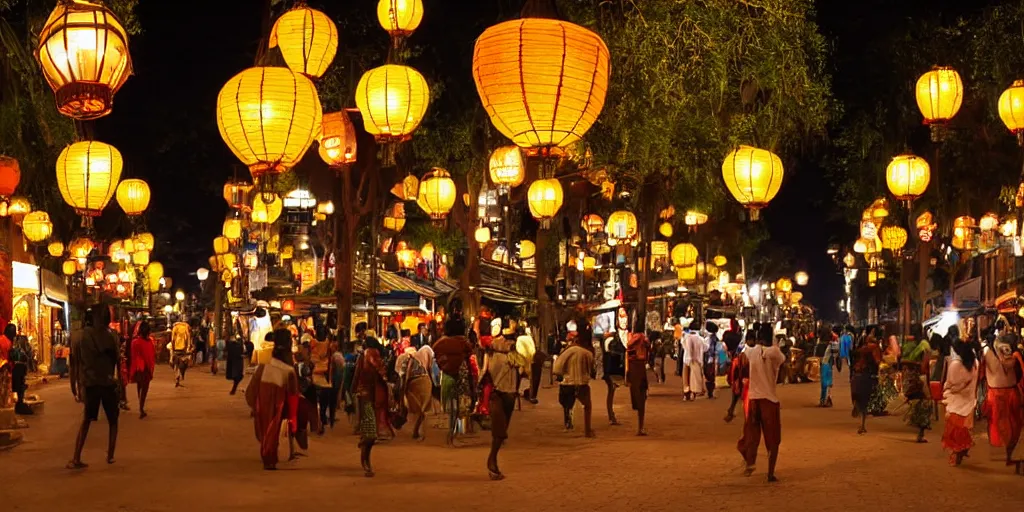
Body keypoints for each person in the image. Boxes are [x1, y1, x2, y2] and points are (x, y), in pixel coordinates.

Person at [68, 306, 121, 469]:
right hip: (107, 383)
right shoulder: (111, 336)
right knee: (113, 421)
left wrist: (75, 384)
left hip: (91, 383)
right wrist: (120, 385)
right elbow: (117, 361)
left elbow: (75, 363)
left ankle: (76, 457)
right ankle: (110, 455)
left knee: (87, 420)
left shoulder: (81, 336)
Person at [736, 324, 786, 482]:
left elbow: (742, 357)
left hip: (753, 399)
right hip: (769, 399)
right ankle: (770, 473)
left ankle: (750, 462)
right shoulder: (775, 352)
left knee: (751, 434)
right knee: (773, 439)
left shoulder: (751, 351)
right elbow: (782, 366)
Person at [245, 329, 299, 470]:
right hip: (277, 400)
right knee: (273, 428)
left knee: (267, 429)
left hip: (263, 396)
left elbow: (252, 387)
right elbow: (293, 394)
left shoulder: (264, 364)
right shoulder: (289, 369)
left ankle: (268, 454)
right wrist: (293, 417)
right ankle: (269, 456)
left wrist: (253, 404)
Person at [482, 324, 518, 480]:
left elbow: (484, 372)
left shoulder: (490, 353)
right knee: (500, 431)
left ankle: (493, 461)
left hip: (501, 393)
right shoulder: (510, 355)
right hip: (502, 393)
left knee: (500, 432)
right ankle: (492, 462)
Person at [981, 334, 1022, 468]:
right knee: (1013, 426)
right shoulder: (1016, 355)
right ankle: (1010, 455)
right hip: (1011, 393)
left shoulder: (990, 352)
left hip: (1000, 394)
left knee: (1004, 426)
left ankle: (1008, 455)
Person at [351, 331, 387, 477]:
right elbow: (380, 372)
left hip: (366, 396)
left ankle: (366, 460)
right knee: (370, 432)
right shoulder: (371, 356)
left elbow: (355, 377)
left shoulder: (363, 357)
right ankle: (366, 462)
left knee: (370, 432)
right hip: (368, 396)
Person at [942, 339, 980, 466]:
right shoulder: (975, 363)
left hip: (955, 401)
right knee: (963, 428)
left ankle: (955, 453)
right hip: (969, 401)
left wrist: (947, 390)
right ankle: (963, 448)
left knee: (953, 430)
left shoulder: (955, 365)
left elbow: (951, 383)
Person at [553, 327, 595, 436]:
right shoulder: (588, 353)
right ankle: (587, 430)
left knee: (566, 405)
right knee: (587, 406)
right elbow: (592, 370)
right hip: (582, 383)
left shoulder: (567, 351)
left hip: (568, 383)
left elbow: (556, 369)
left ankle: (568, 424)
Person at [900, 329, 933, 443]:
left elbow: (902, 359)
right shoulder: (924, 345)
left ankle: (917, 428)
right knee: (925, 404)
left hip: (908, 379)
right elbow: (924, 366)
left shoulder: (907, 345)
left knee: (917, 404)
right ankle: (920, 433)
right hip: (919, 378)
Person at [397, 346, 432, 440]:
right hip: (425, 382)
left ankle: (417, 431)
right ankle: (417, 431)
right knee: (422, 409)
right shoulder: (420, 362)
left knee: (417, 409)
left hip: (414, 384)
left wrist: (402, 391)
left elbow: (402, 376)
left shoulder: (405, 361)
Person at [851, 335, 882, 434]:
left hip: (856, 376)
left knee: (859, 397)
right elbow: (877, 362)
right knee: (865, 401)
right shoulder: (874, 349)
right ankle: (862, 425)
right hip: (867, 376)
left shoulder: (860, 350)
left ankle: (856, 403)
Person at [725, 327, 756, 423]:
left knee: (737, 396)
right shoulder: (744, 350)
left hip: (745, 376)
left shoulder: (743, 349)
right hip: (743, 376)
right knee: (738, 395)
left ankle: (732, 410)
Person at [626, 331, 651, 436]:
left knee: (640, 399)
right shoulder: (640, 340)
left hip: (636, 369)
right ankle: (640, 427)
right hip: (637, 369)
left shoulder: (635, 340)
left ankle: (640, 427)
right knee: (640, 399)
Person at [129, 321, 155, 419]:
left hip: (137, 368)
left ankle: (141, 406)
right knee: (145, 389)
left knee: (139, 387)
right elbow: (151, 357)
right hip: (146, 368)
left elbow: (133, 356)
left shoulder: (135, 342)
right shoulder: (149, 342)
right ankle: (141, 407)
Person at [601, 329, 625, 425]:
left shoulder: (607, 341)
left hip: (609, 371)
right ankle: (611, 416)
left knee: (611, 393)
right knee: (611, 393)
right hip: (611, 371)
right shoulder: (611, 341)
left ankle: (611, 416)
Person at [682, 325, 706, 401]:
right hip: (697, 360)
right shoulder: (701, 339)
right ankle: (693, 393)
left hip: (687, 360)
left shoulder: (686, 337)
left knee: (686, 378)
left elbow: (685, 347)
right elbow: (705, 348)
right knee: (695, 378)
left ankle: (686, 394)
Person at [170, 319, 191, 387]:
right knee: (182, 363)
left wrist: (172, 348)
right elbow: (188, 338)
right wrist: (188, 347)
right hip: (184, 348)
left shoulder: (175, 327)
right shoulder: (186, 327)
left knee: (175, 363)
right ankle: (180, 375)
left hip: (176, 348)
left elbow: (173, 339)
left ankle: (177, 376)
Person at [703, 322, 720, 399]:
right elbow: (719, 350)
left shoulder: (707, 339)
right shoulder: (716, 338)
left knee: (708, 376)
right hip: (714, 360)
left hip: (708, 359)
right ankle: (711, 393)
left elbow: (705, 350)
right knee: (712, 377)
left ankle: (710, 393)